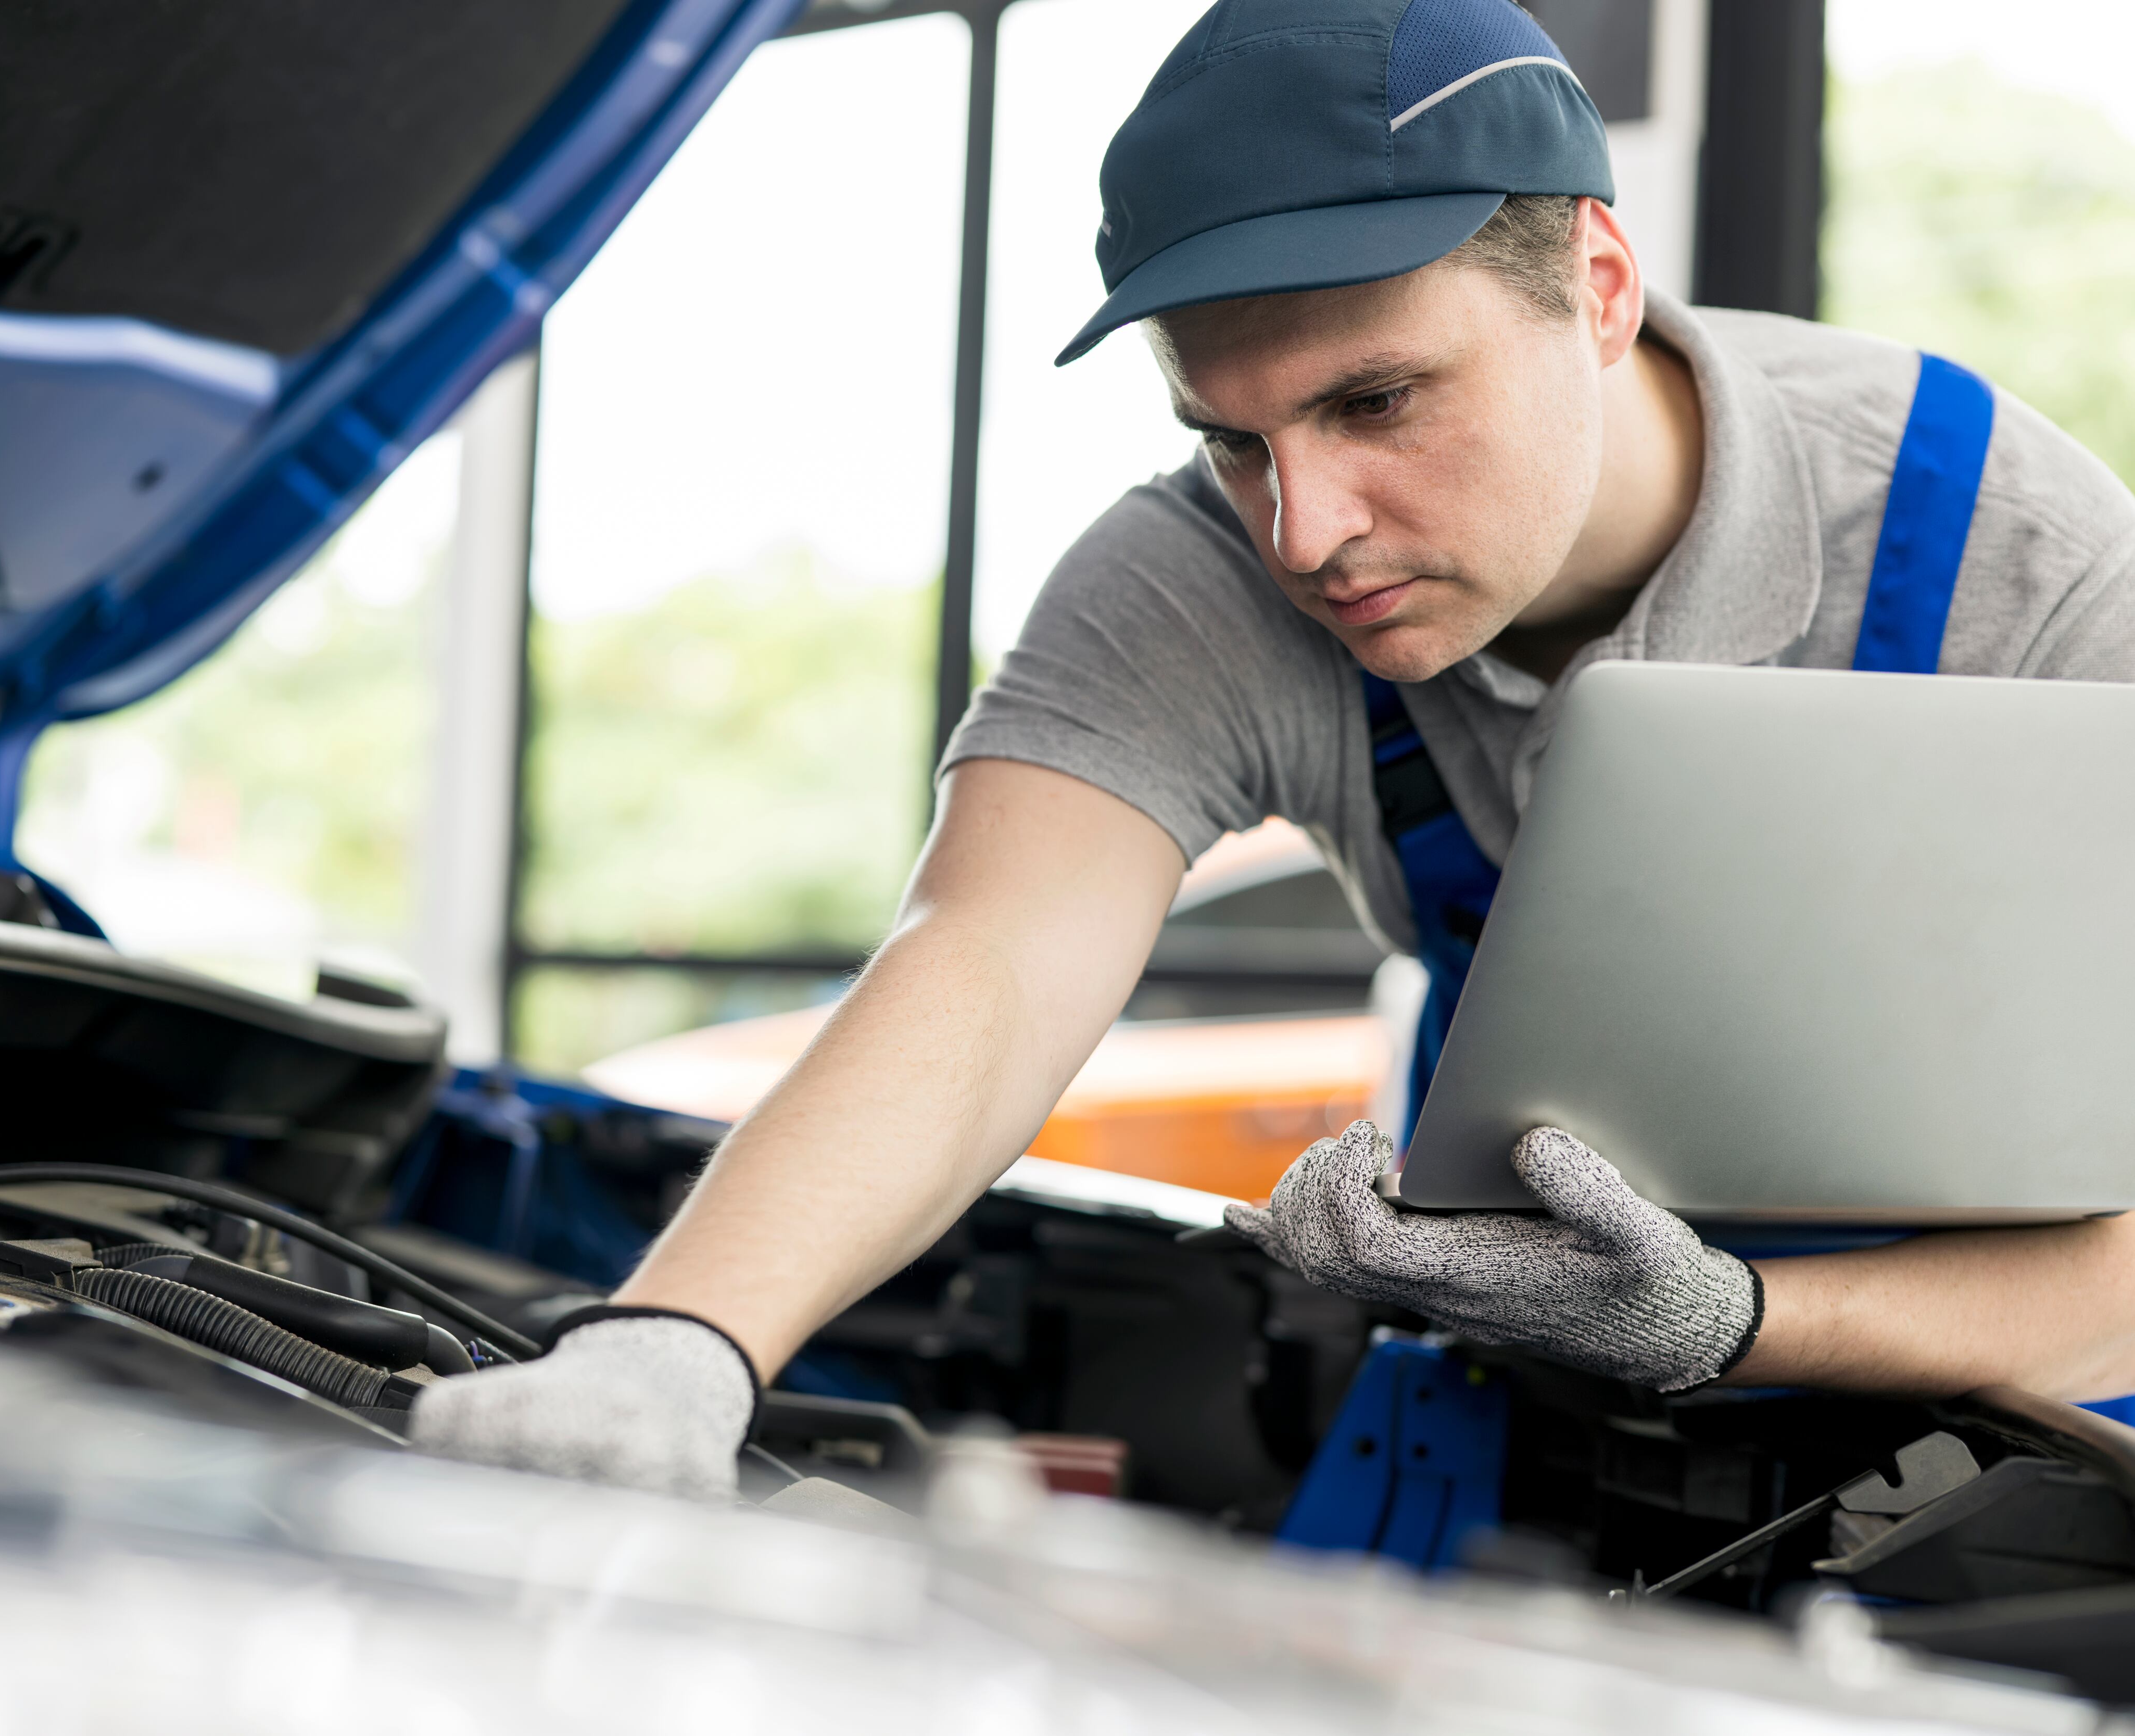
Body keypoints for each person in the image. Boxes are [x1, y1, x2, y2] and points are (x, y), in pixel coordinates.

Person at [411, 0, 2135, 1500]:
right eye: (1228, 436)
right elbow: (989, 959)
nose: (1305, 532)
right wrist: (681, 1346)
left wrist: (1746, 1325)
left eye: (1377, 401)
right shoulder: (1198, 575)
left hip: (2017, 1457)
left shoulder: (2015, 553)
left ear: (1598, 287)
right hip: (1540, 1432)